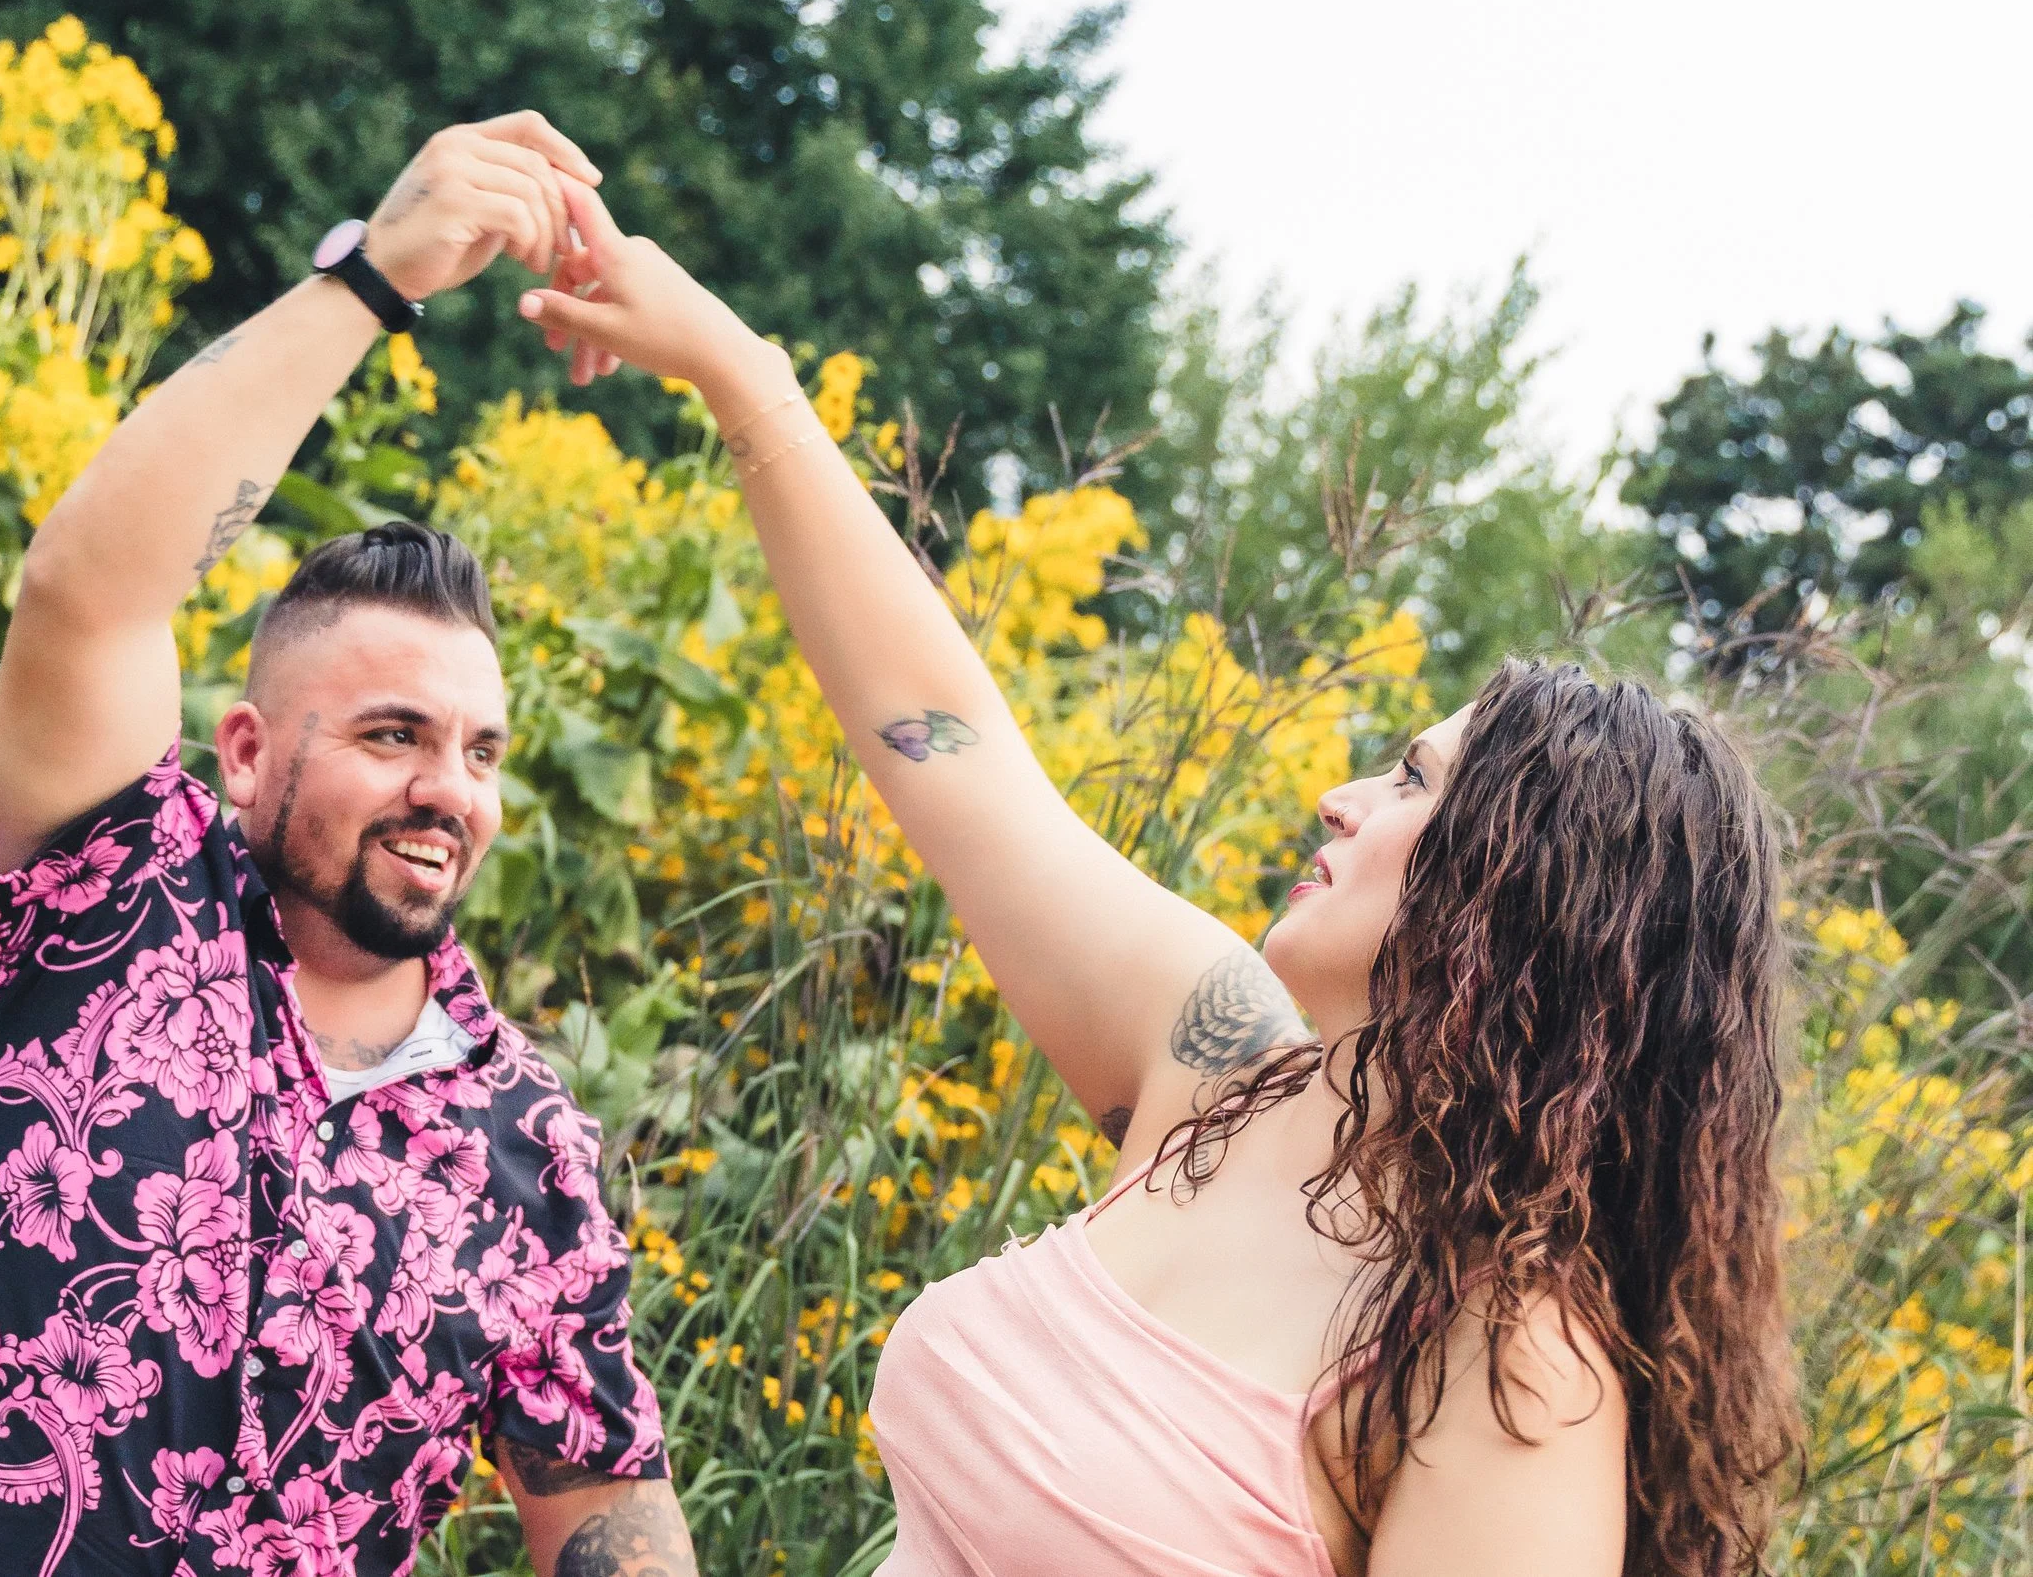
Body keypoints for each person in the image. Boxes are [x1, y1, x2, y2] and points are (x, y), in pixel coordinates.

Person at [512, 183, 1801, 1576]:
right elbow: (943, 741)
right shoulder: (1223, 1066)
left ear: (1526, 899)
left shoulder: (1510, 1369)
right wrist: (734, 368)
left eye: (1413, 784)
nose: (1342, 796)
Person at [0, 116, 697, 1577]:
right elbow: (88, 585)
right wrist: (376, 279)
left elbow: (611, 1524)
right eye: (393, 735)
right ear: (246, 751)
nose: (450, 788)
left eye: (481, 750)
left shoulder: (528, 1154)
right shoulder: (101, 890)